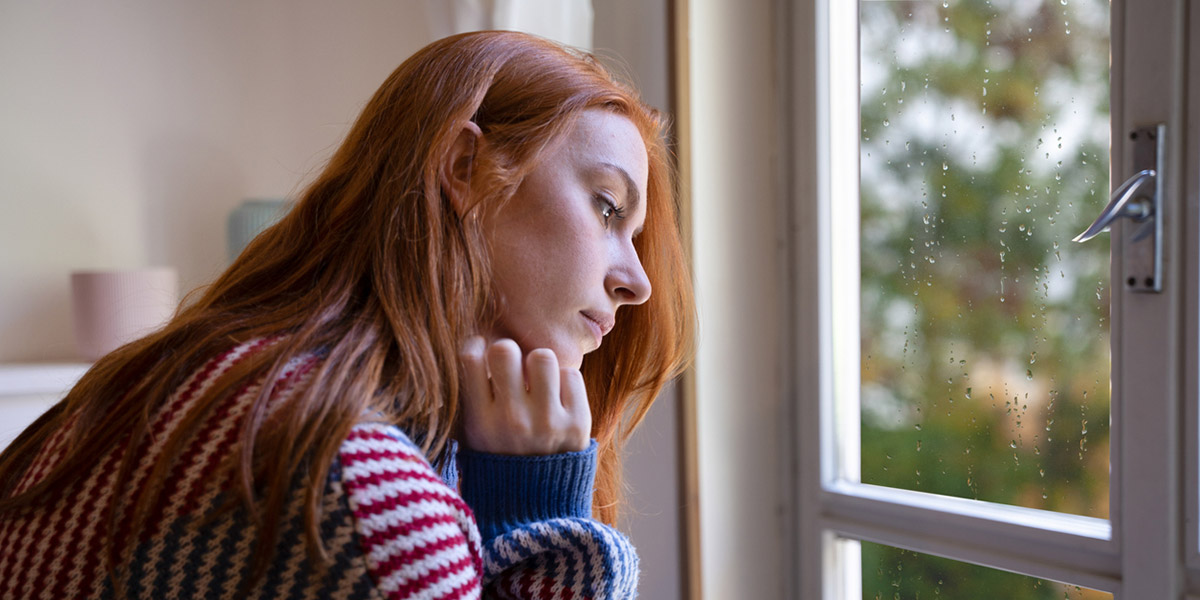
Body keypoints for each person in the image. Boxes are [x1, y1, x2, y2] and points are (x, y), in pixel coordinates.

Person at [0, 30, 694, 599]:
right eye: (607, 207)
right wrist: (542, 520)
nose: (637, 284)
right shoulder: (369, 500)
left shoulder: (196, 382)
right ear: (463, 166)